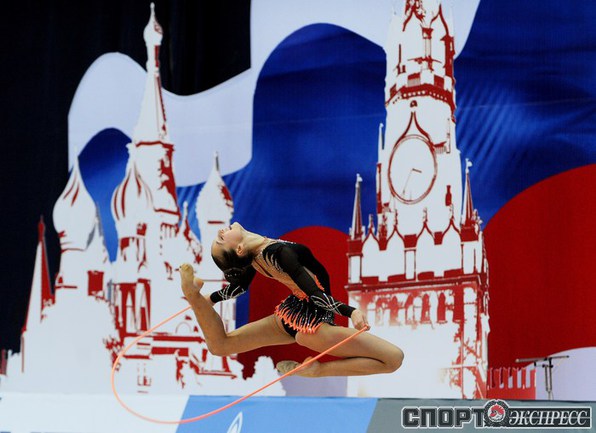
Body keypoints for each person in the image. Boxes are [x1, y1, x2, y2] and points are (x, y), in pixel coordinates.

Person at [178, 222, 404, 377]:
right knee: (393, 358)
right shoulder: (277, 254)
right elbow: (314, 293)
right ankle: (318, 371)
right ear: (239, 249)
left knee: (221, 345)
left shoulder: (254, 256)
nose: (221, 231)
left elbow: (239, 289)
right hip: (314, 326)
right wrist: (350, 311)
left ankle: (194, 296)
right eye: (221, 239)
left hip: (289, 315)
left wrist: (212, 299)